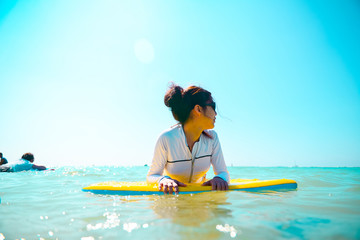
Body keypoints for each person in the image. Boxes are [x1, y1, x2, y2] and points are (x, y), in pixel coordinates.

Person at [147, 84, 230, 194]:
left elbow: (223, 173)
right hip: (173, 198)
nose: (215, 113)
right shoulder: (166, 138)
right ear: (198, 109)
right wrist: (163, 179)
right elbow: (152, 176)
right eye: (213, 106)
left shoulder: (212, 138)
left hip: (199, 198)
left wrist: (220, 178)